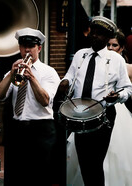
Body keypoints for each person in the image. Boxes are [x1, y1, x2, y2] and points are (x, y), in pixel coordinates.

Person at [58, 16, 132, 186]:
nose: (94, 36)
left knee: (96, 162)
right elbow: (70, 76)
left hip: (103, 117)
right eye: (93, 32)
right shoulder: (80, 55)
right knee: (84, 161)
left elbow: (127, 89)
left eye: (99, 34)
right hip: (78, 114)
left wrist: (117, 96)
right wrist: (65, 83)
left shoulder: (116, 60)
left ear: (107, 38)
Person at [0, 27, 61, 185]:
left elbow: (45, 100)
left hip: (40, 130)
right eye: (23, 46)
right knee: (15, 176)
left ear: (39, 48)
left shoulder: (49, 72)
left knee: (38, 177)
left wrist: (32, 77)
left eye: (31, 47)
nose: (27, 51)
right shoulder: (15, 69)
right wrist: (11, 74)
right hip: (17, 129)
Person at [103, 29, 132, 186]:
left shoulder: (128, 68)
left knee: (118, 148)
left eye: (114, 45)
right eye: (108, 44)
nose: (111, 48)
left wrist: (120, 95)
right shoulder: (99, 62)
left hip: (119, 110)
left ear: (121, 48)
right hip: (100, 108)